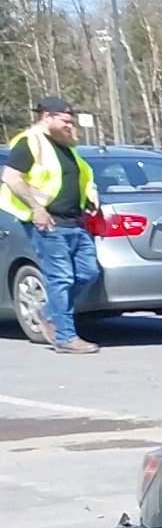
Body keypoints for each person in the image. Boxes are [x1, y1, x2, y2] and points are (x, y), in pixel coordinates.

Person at [2, 96, 103, 354]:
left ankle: (48, 313)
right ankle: (66, 337)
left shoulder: (67, 145)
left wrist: (90, 194)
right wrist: (37, 209)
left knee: (88, 272)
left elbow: (80, 176)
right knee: (61, 278)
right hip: (48, 222)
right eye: (65, 120)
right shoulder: (31, 142)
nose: (70, 125)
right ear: (47, 116)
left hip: (75, 221)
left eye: (72, 120)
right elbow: (12, 177)